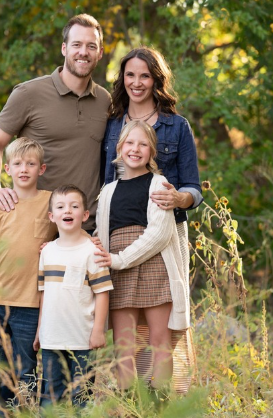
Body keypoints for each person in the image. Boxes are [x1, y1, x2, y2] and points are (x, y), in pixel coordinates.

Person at [102, 47, 202, 392]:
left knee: (164, 330)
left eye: (145, 75)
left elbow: (193, 186)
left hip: (165, 234)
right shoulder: (114, 124)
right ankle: (132, 399)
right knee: (126, 336)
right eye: (130, 75)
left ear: (156, 80)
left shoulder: (177, 126)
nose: (137, 82)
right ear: (123, 79)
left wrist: (180, 198)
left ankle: (162, 397)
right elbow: (108, 183)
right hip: (118, 238)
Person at [0, 13, 110, 233]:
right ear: (64, 49)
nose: (83, 52)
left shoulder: (105, 101)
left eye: (91, 46)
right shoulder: (28, 94)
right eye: (76, 44)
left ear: (100, 53)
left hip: (86, 228)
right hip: (35, 226)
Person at [95, 120, 190, 393]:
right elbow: (102, 236)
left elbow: (159, 234)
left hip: (154, 265)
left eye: (143, 144)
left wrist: (119, 259)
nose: (135, 149)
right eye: (130, 143)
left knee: (160, 339)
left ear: (152, 152)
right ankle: (130, 402)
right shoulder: (108, 191)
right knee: (124, 343)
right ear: (119, 147)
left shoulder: (159, 184)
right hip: (118, 269)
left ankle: (159, 401)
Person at [0, 137, 57, 415]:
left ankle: (17, 413)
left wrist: (60, 245)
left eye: (31, 164)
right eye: (18, 164)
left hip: (31, 306)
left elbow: (68, 237)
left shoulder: (50, 203)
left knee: (26, 372)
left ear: (42, 169)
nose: (24, 169)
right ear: (7, 169)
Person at [33, 185, 113, 408]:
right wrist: (40, 330)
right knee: (50, 397)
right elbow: (44, 294)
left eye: (74, 206)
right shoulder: (47, 252)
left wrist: (98, 330)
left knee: (83, 398)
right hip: (51, 338)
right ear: (52, 216)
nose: (67, 211)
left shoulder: (92, 252)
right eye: (60, 207)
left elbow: (102, 292)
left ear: (85, 215)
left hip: (82, 338)